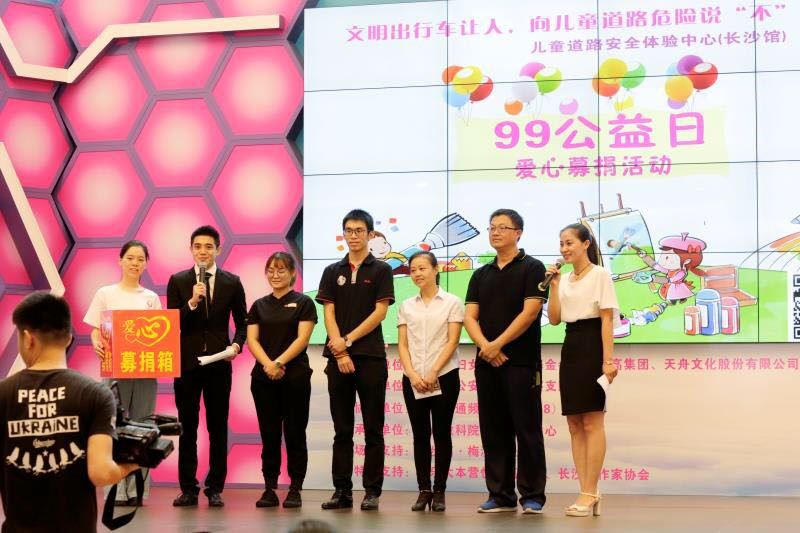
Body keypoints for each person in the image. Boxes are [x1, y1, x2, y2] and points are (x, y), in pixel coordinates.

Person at [0, 292, 139, 532]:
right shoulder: (96, 394)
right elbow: (101, 472)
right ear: (68, 339)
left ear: (28, 338)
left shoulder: (3, 393)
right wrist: (133, 464)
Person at [463, 208, 548, 514]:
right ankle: (500, 495)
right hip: (487, 362)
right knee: (493, 430)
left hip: (521, 362)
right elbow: (469, 317)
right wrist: (486, 346)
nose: (495, 232)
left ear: (518, 233)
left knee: (527, 429)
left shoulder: (533, 267)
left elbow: (530, 312)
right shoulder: (480, 274)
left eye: (502, 227)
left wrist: (497, 344)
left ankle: (532, 495)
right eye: (492, 227)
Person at [316, 209, 394, 511]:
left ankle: (372, 491)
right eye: (348, 230)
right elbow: (329, 312)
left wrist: (347, 341)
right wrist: (340, 351)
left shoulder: (382, 270)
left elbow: (380, 313)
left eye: (359, 230)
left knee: (373, 429)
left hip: (370, 358)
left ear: (370, 234)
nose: (353, 236)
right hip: (338, 359)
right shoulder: (331, 270)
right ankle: (342, 491)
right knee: (342, 430)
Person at [167, 225, 247, 508]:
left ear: (218, 249)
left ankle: (215, 487)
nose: (203, 251)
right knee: (187, 427)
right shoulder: (178, 280)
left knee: (217, 427)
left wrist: (236, 346)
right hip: (187, 365)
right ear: (191, 249)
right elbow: (171, 323)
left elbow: (243, 323)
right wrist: (191, 302)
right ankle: (188, 488)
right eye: (198, 246)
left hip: (219, 365)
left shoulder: (232, 282)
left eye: (208, 247)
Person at [546, 223, 619, 517]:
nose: (564, 249)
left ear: (586, 244)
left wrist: (608, 360)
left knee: (592, 422)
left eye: (569, 243)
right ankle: (586, 490)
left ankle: (589, 492)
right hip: (571, 345)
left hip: (593, 346)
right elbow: (554, 319)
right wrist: (554, 286)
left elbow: (607, 319)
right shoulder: (563, 279)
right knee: (574, 424)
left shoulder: (600, 274)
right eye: (561, 244)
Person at [83, 239, 160, 506]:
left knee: (144, 427)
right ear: (120, 260)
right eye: (130, 258)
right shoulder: (105, 293)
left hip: (146, 371)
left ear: (146, 264)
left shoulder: (151, 298)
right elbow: (96, 329)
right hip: (116, 368)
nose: (135, 263)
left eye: (140, 259)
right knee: (115, 427)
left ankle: (138, 490)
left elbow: (159, 334)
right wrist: (96, 342)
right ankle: (115, 490)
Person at [246, 252, 317, 509]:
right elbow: (252, 339)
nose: (275, 275)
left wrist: (279, 362)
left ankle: (295, 488)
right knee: (269, 434)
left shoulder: (303, 302)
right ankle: (269, 488)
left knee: (295, 433)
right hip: (263, 379)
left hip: (295, 377)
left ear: (292, 273)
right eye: (271, 270)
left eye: (281, 270)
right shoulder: (258, 305)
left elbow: (302, 339)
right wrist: (268, 364)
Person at [397, 251, 463, 512]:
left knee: (442, 433)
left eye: (422, 268)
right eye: (413, 270)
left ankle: (440, 490)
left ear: (436, 269)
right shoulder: (406, 305)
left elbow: (453, 340)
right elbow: (403, 345)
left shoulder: (452, 302)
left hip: (444, 376)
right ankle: (424, 490)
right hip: (412, 378)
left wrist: (434, 371)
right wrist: (412, 374)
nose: (417, 274)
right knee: (420, 435)